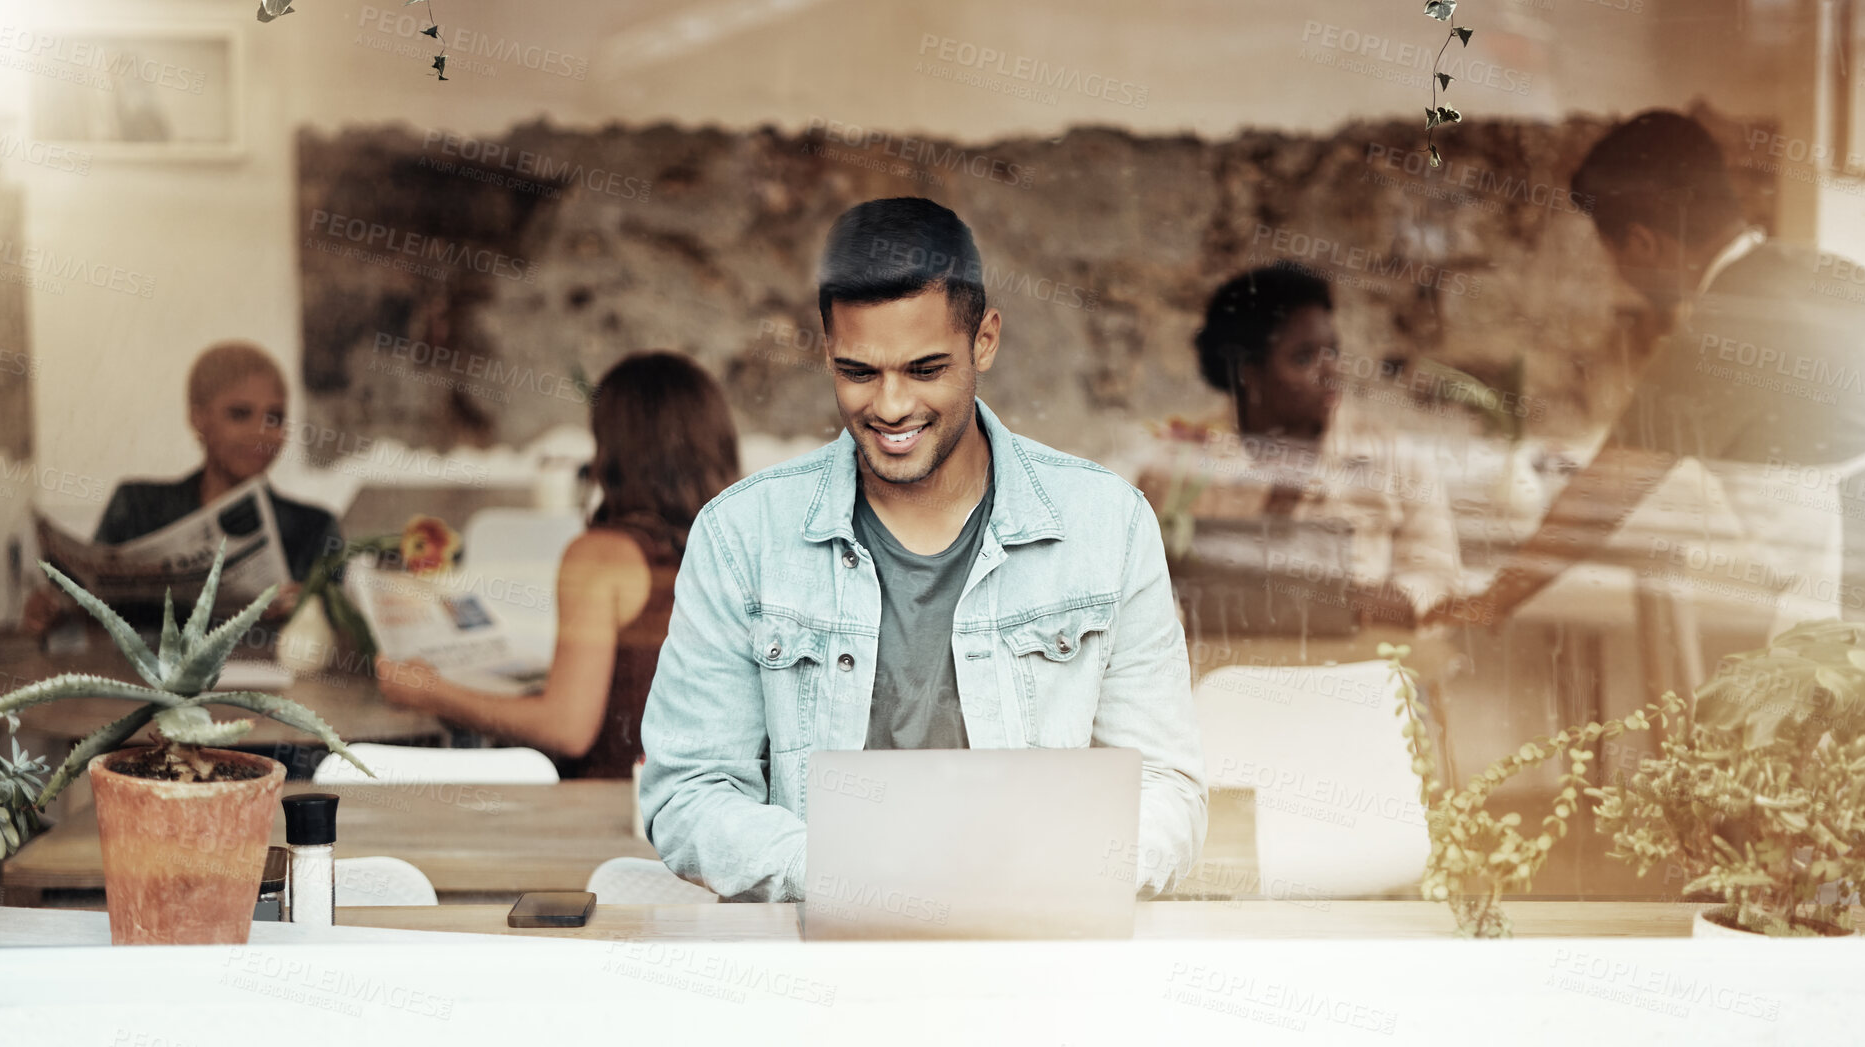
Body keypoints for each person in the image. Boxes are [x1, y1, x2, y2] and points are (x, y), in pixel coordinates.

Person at [639, 197, 1206, 901]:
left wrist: (1057, 876)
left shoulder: (1106, 525)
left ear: (986, 341)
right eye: (858, 371)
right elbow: (690, 791)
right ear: (826, 349)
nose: (891, 405)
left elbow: (1166, 788)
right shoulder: (741, 536)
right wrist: (844, 874)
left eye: (925, 368)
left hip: (1039, 953)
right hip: (820, 965)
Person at [1429, 111, 1865, 634]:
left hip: (1843, 618)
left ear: (1642, 243)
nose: (1615, 272)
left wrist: (1492, 601)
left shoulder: (1718, 329)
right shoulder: (1827, 273)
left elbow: (1601, 496)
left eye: (1609, 250)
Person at [374, 352, 740, 778]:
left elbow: (568, 728)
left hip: (613, 815)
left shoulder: (602, 555)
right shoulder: (740, 546)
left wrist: (431, 692)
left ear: (615, 450)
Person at [1135, 263, 1463, 630]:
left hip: (1356, 672)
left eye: (1333, 351)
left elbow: (1438, 575)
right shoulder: (1181, 463)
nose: (1331, 370)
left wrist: (1380, 603)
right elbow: (1144, 582)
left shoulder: (1395, 458)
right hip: (1218, 672)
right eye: (1304, 358)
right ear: (1249, 372)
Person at [19, 340, 337, 633]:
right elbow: (95, 618)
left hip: (261, 688)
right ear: (198, 419)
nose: (261, 431)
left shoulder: (314, 528)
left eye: (275, 417)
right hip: (141, 688)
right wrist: (55, 612)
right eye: (240, 414)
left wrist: (314, 616)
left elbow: (344, 647)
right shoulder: (136, 507)